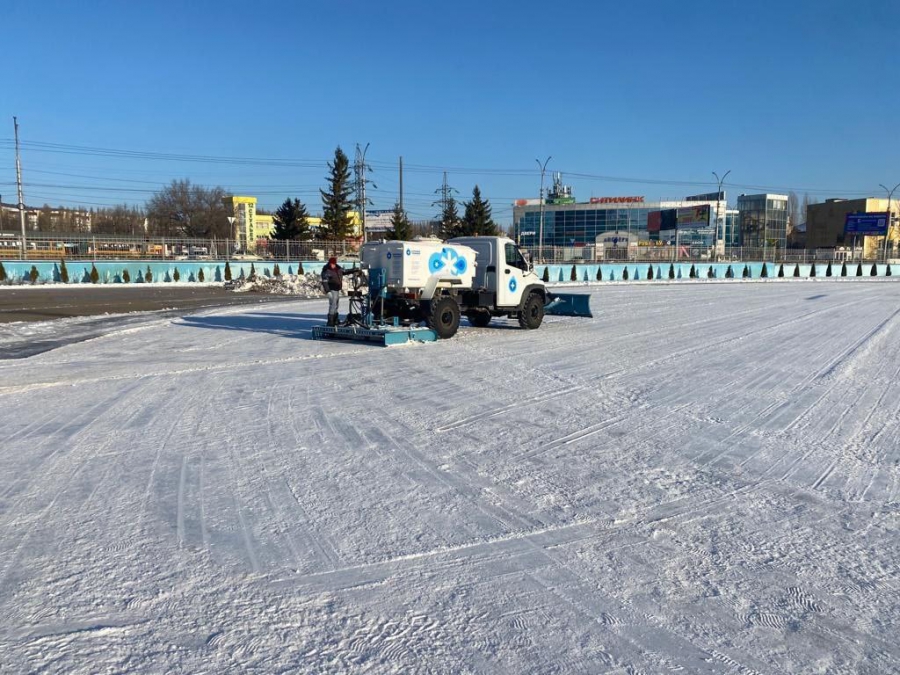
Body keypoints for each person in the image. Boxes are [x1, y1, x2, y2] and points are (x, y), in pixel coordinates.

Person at [321, 257, 344, 326]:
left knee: (336, 305)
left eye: (334, 264)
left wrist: (354, 270)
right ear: (329, 263)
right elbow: (325, 282)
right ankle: (330, 321)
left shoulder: (338, 268)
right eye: (331, 264)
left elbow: (344, 271)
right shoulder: (326, 270)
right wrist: (328, 291)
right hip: (331, 289)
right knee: (333, 305)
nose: (332, 265)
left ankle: (335, 319)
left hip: (337, 289)